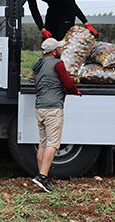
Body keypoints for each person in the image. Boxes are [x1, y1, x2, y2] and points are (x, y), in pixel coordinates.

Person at [30, 37, 81, 192]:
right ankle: (42, 177)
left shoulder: (37, 65)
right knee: (53, 144)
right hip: (53, 108)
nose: (61, 50)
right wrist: (75, 91)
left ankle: (42, 176)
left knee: (43, 144)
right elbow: (68, 84)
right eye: (59, 48)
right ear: (53, 51)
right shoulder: (57, 64)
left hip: (40, 107)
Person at [25, 0, 96, 40]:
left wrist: (86, 23)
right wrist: (42, 29)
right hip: (53, 9)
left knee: (62, 39)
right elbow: (34, 10)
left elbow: (72, 5)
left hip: (67, 11)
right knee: (48, 39)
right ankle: (48, 58)